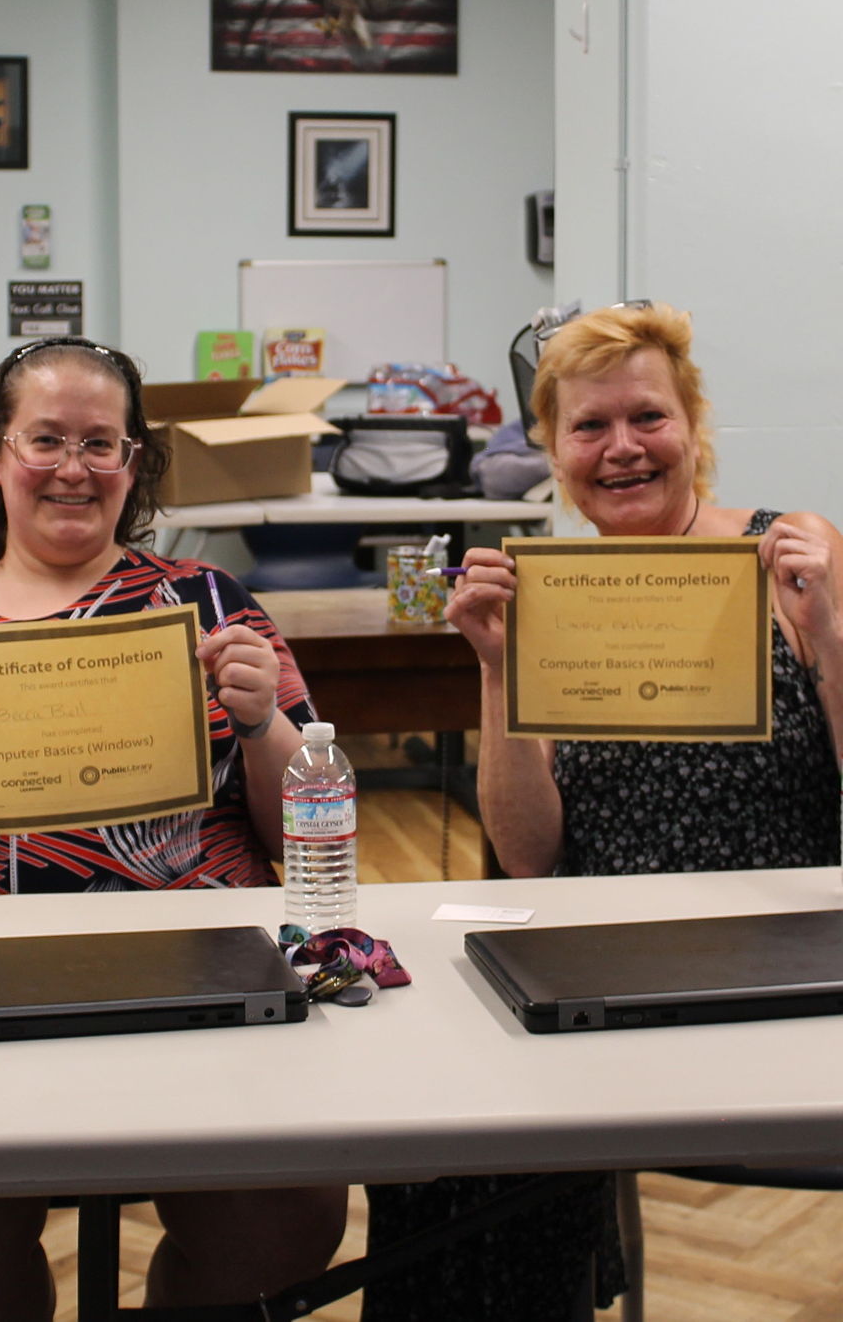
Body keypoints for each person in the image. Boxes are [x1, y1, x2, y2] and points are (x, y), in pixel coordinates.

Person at [0, 336, 346, 1320]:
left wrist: (266, 727)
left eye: (102, 443)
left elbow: (312, 835)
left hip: (201, 979)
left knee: (285, 1208)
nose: (74, 468)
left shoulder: (207, 606)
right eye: (46, 439)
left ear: (135, 465)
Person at [361, 301, 843, 1320]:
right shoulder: (547, 589)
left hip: (777, 973)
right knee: (438, 1144)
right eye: (588, 427)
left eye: (646, 417)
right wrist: (495, 670)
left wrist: (830, 639)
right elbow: (528, 856)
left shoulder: (791, 560)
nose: (621, 448)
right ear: (553, 450)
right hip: (594, 975)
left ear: (691, 427)